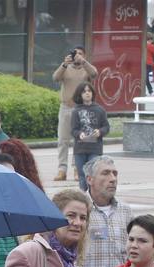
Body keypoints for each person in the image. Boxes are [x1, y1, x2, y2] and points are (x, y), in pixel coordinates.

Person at [80, 156, 133, 267]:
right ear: (89, 179)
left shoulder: (126, 211)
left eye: (115, 173)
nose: (113, 179)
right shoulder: (79, 210)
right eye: (105, 173)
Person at [53, 46, 98, 181]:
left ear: (84, 55)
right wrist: (64, 64)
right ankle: (62, 170)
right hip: (65, 108)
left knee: (79, 140)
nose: (77, 56)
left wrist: (83, 62)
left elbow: (94, 74)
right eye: (75, 54)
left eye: (80, 53)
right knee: (62, 140)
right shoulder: (66, 68)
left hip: (82, 109)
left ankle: (77, 169)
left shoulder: (86, 68)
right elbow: (55, 77)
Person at [71, 84, 110, 192]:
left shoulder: (99, 110)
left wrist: (100, 132)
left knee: (93, 174)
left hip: (95, 148)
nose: (87, 93)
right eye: (84, 91)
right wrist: (79, 134)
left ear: (92, 93)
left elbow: (106, 127)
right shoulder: (76, 111)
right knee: (82, 175)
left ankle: (94, 195)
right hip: (80, 149)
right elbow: (73, 130)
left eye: (89, 91)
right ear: (80, 94)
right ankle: (83, 195)